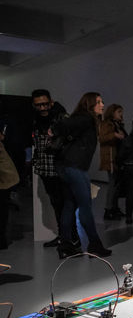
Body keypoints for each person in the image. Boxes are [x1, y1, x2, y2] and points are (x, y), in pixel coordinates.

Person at [52, 92, 111, 258]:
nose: (102, 105)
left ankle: (65, 245)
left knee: (70, 205)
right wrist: (54, 129)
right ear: (89, 104)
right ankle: (94, 244)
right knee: (85, 206)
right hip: (74, 167)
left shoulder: (84, 118)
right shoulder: (85, 118)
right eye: (98, 102)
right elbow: (62, 126)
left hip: (67, 166)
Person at [29, 89, 76, 248]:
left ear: (51, 102)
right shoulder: (35, 119)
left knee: (66, 204)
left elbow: (73, 140)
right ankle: (64, 236)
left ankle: (72, 239)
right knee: (57, 204)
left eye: (45, 104)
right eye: (38, 105)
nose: (42, 108)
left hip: (61, 168)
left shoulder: (62, 117)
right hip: (45, 169)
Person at [99, 104, 127, 220]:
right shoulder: (107, 124)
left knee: (117, 184)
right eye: (119, 111)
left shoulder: (118, 124)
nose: (121, 114)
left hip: (118, 158)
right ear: (112, 112)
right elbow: (102, 138)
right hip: (111, 158)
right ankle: (109, 209)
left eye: (121, 111)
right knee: (113, 184)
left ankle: (114, 208)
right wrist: (115, 135)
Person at [0, 124, 20, 249]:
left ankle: (1, 239)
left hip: (4, 179)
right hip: (5, 179)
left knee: (2, 209)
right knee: (3, 209)